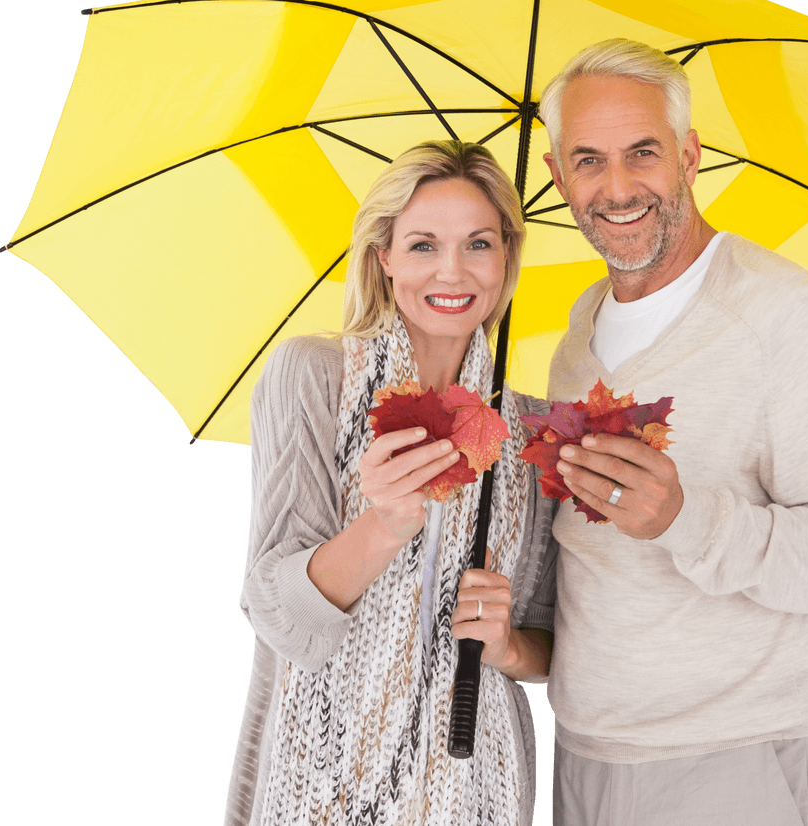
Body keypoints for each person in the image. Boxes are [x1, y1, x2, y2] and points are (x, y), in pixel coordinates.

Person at [539, 39, 808, 825]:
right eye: (588, 160)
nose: (617, 188)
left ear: (689, 154)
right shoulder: (579, 331)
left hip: (727, 761)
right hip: (585, 754)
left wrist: (686, 518)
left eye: (643, 153)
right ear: (557, 176)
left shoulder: (779, 314)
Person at [222, 141, 557, 826]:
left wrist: (509, 646)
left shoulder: (529, 431)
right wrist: (384, 523)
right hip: (322, 784)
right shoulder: (314, 377)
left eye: (479, 244)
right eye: (423, 245)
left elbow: (552, 643)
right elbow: (278, 616)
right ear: (384, 257)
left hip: (473, 787)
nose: (452, 271)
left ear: (506, 259)